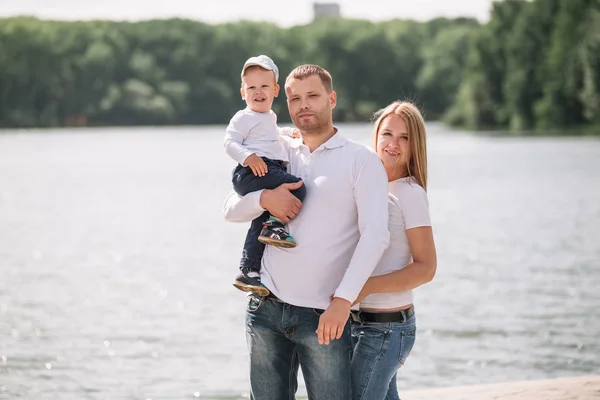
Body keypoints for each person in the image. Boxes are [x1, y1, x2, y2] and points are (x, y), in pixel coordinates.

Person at [222, 64, 390, 399]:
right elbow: (230, 210)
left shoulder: (361, 160)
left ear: (332, 98)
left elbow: (376, 237)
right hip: (265, 309)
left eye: (313, 96)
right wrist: (265, 198)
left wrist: (344, 300)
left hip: (322, 315)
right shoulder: (279, 151)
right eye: (295, 98)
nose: (303, 105)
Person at [349, 101, 437, 400]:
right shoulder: (366, 186)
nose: (393, 144)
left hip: (387, 330)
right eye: (387, 134)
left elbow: (426, 268)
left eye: (404, 137)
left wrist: (367, 286)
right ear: (376, 136)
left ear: (415, 146)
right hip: (356, 324)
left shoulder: (409, 193)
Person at [224, 54, 307, 297]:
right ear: (242, 92)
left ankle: (248, 270)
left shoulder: (267, 118)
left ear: (275, 90)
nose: (258, 92)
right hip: (252, 170)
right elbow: (229, 142)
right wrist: (247, 157)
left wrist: (287, 133)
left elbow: (269, 137)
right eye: (251, 88)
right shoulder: (244, 117)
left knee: (258, 220)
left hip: (265, 170)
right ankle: (275, 225)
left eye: (264, 87)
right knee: (297, 187)